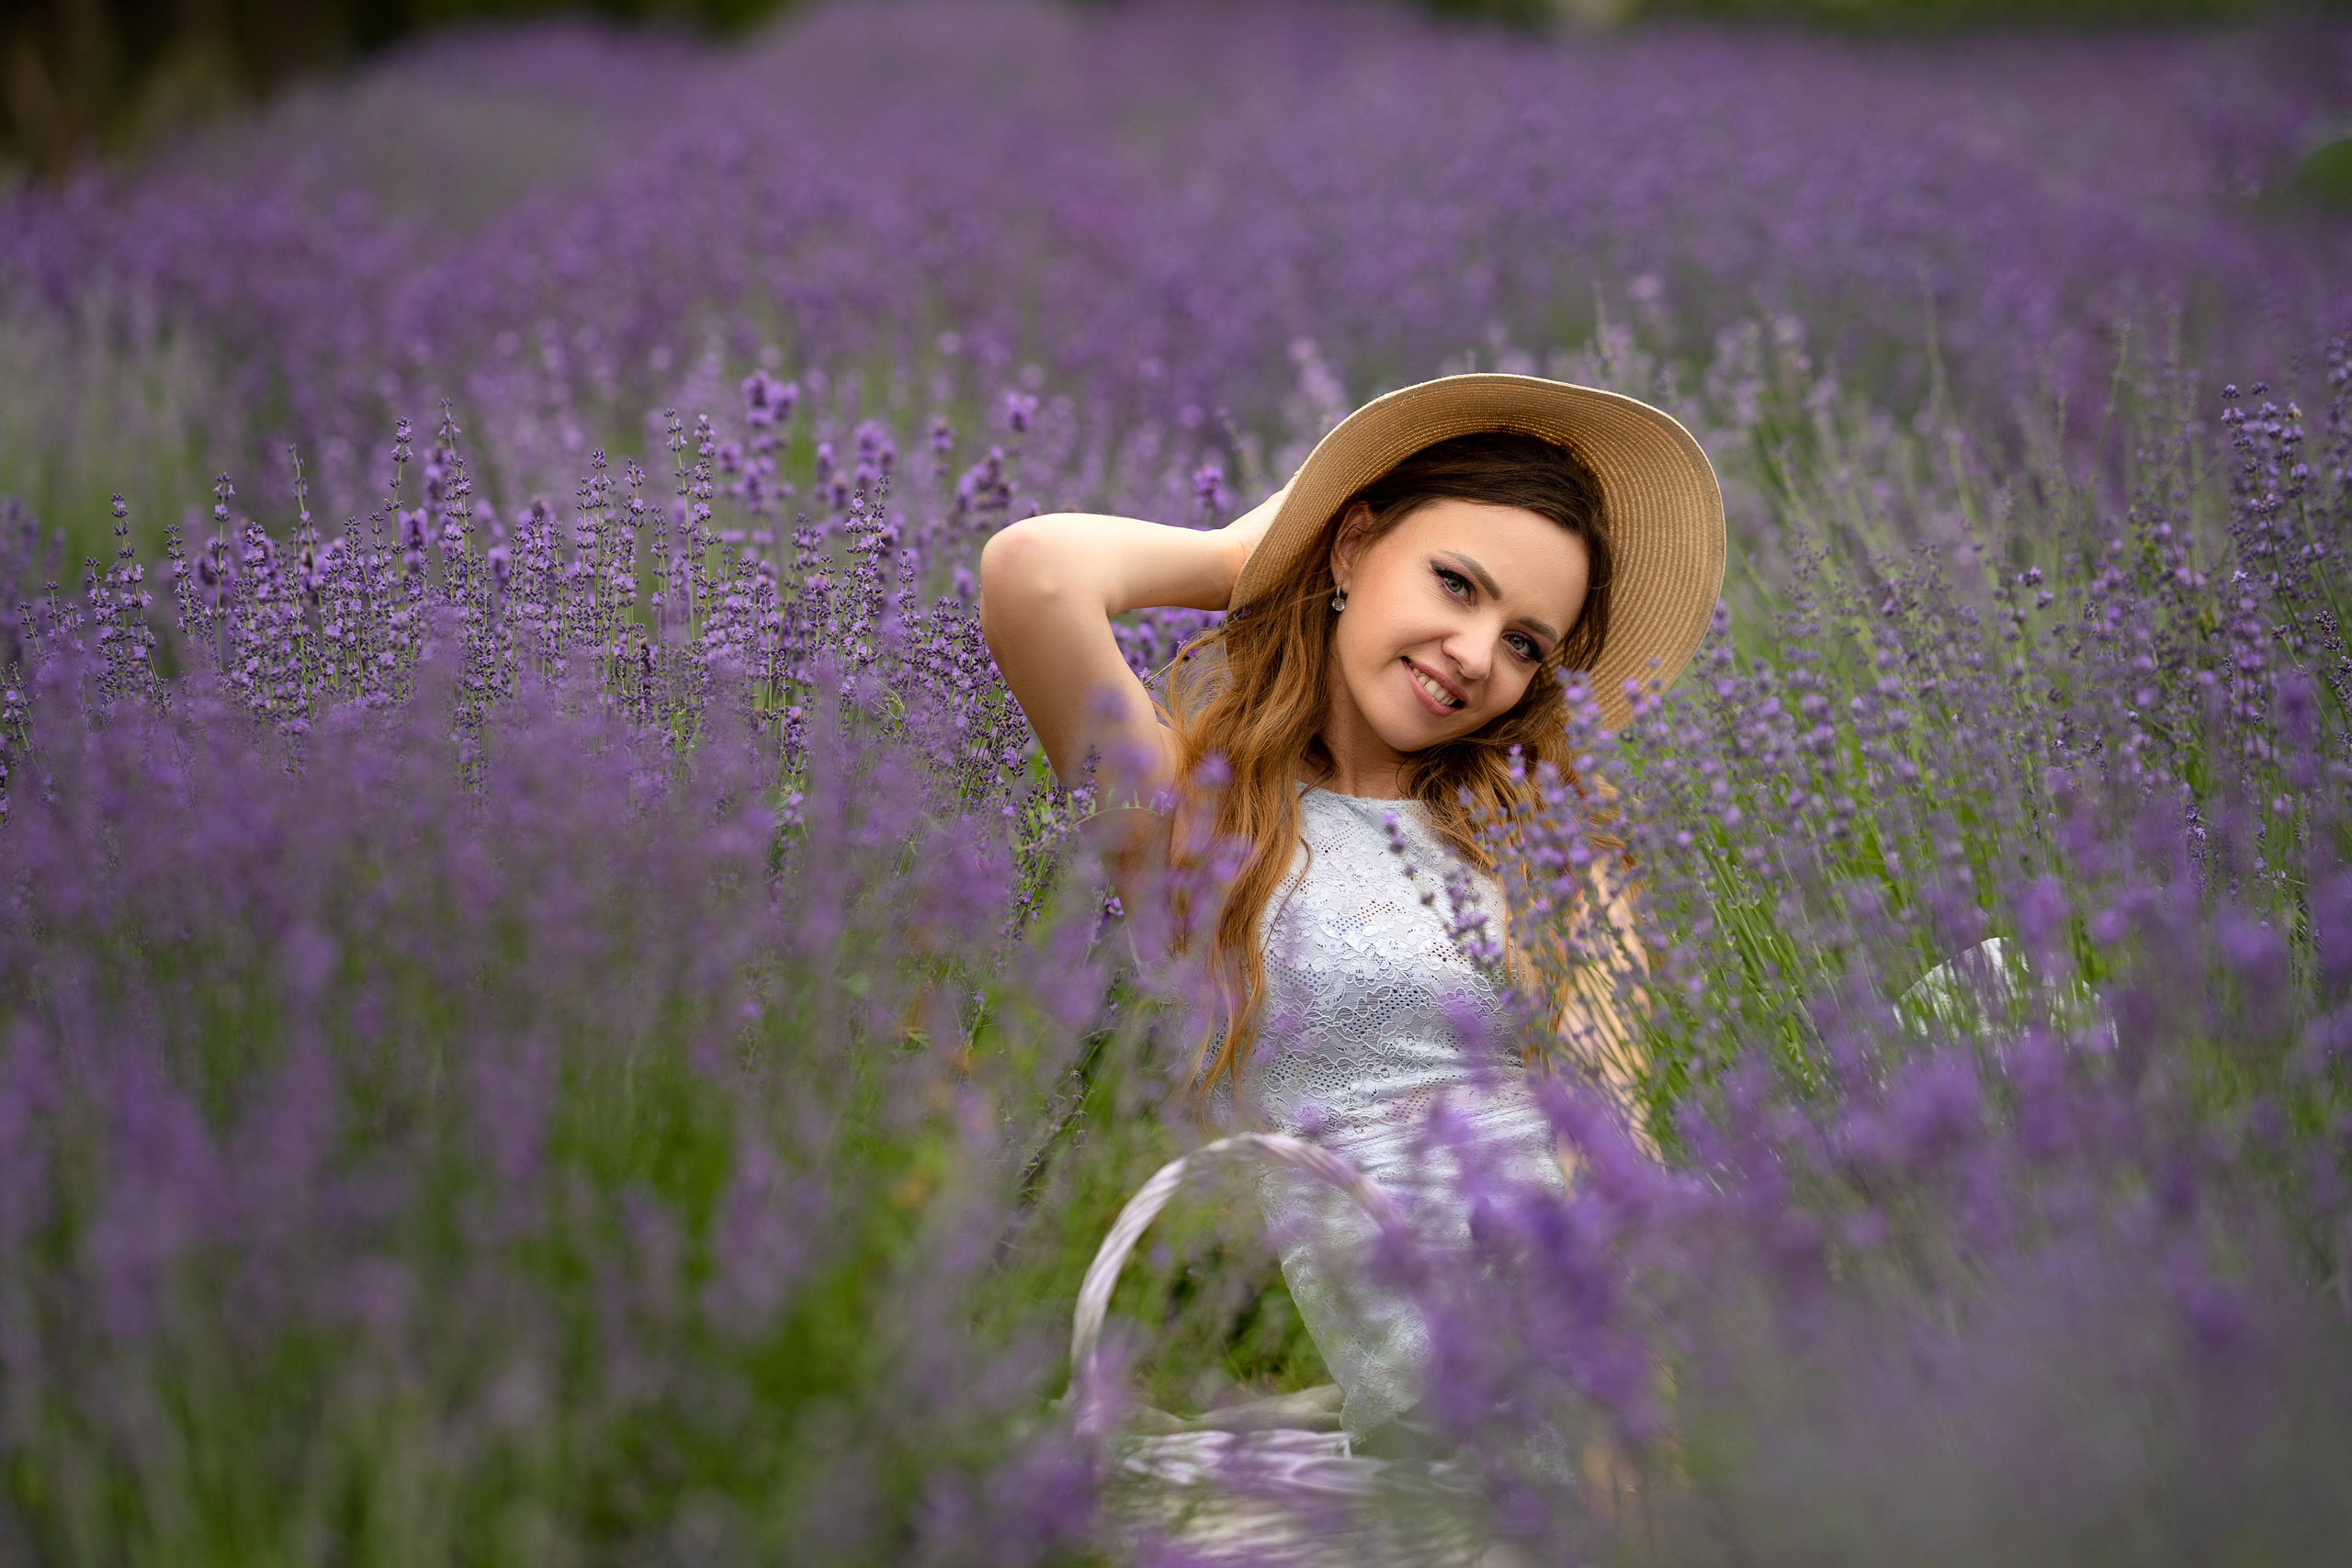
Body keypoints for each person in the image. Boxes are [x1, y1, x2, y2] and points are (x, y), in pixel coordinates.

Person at [980, 374, 1724, 1454]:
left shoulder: (1549, 831)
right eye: (1455, 585)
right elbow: (1032, 572)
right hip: (1452, 1360)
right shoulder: (1199, 832)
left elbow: (1608, 1128)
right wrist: (1253, 556)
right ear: (1351, 549)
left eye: (1526, 642)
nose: (1476, 655)